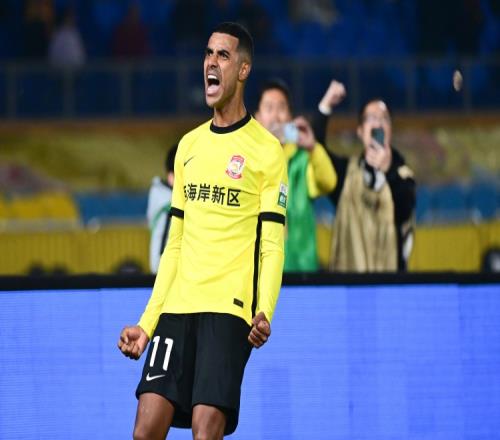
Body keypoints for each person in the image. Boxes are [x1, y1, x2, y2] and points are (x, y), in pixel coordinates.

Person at [118, 22, 287, 440]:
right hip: (177, 308)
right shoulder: (188, 147)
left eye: (223, 55)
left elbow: (271, 244)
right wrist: (147, 323)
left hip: (229, 311)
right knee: (144, 430)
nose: (211, 62)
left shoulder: (267, 151)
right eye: (208, 54)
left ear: (243, 70)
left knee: (204, 430)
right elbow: (174, 245)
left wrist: (264, 309)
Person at [313, 80, 416, 272]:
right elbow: (316, 152)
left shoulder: (404, 177)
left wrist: (387, 171)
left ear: (390, 129)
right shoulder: (345, 175)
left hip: (390, 284)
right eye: (371, 118)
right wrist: (326, 105)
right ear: (360, 131)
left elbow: (404, 210)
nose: (378, 122)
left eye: (384, 118)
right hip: (350, 285)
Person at [255, 79, 336, 272]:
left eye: (282, 108)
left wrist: (312, 148)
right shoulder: (250, 161)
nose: (276, 115)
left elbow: (329, 182)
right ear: (257, 118)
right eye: (269, 108)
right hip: (261, 272)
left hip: (301, 271)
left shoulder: (303, 159)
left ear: (290, 117)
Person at [147, 144, 177, 274]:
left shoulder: (158, 194)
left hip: (162, 270)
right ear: (171, 176)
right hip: (165, 271)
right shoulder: (167, 205)